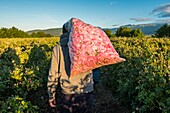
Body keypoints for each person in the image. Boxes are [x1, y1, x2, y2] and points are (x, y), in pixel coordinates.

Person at [47, 20, 94, 113]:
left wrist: (51, 95)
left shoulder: (58, 49)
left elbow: (53, 74)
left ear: (64, 32)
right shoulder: (87, 46)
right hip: (86, 90)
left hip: (68, 92)